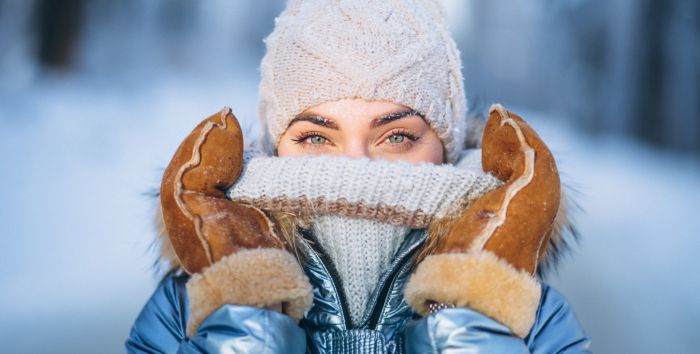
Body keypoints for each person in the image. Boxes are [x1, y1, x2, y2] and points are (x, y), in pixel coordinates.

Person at [125, 0, 591, 353]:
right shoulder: (189, 307)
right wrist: (244, 316)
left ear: (446, 147)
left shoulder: (527, 315)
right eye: (315, 138)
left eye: (396, 137)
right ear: (274, 145)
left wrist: (472, 316)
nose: (353, 166)